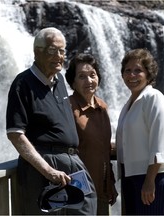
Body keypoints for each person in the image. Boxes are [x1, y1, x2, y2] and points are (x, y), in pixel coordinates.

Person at [6, 27, 97, 215]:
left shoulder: (60, 80)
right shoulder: (23, 83)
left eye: (62, 51)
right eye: (52, 50)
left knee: (87, 210)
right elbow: (15, 135)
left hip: (73, 164)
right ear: (37, 51)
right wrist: (48, 171)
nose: (59, 56)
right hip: (46, 168)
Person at [116, 48, 164, 215]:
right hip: (133, 177)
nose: (132, 75)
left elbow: (160, 140)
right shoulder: (129, 104)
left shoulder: (154, 97)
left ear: (149, 74)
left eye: (138, 70)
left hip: (154, 176)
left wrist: (149, 181)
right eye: (128, 70)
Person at [65, 53, 118, 215]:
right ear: (72, 82)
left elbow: (104, 150)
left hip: (102, 191)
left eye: (92, 75)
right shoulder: (67, 107)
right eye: (82, 76)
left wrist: (110, 183)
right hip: (78, 192)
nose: (89, 81)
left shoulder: (102, 107)